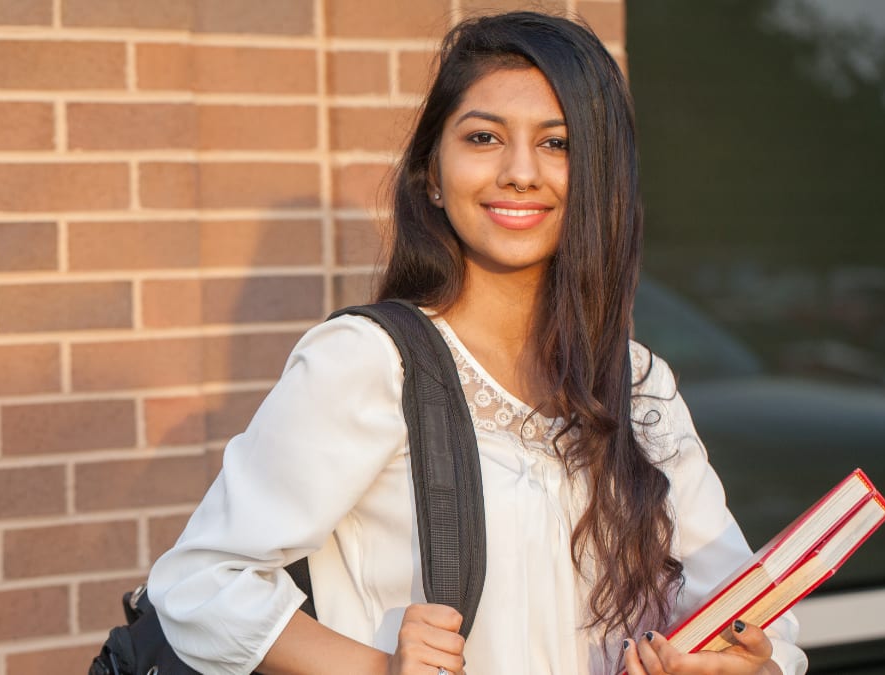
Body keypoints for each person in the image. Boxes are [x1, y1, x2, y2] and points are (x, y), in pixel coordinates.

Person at [146, 11, 808, 675]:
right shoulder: (371, 362)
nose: (521, 172)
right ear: (433, 174)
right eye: (484, 136)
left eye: (559, 143)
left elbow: (754, 613)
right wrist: (382, 668)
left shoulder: (638, 384)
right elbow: (200, 583)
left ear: (602, 179)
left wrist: (743, 663)